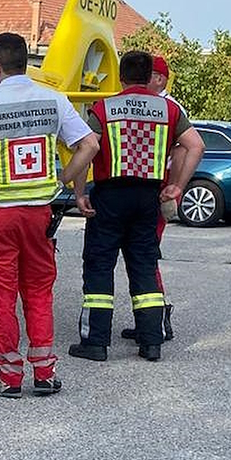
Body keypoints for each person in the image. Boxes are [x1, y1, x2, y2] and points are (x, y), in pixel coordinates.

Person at [0, 32, 99, 397]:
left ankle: (9, 376)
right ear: (27, 60)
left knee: (0, 291)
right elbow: (89, 144)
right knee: (38, 289)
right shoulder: (52, 99)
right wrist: (63, 178)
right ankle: (44, 373)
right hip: (38, 213)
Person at [71, 50, 204, 362]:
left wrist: (79, 193)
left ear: (121, 76)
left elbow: (85, 148)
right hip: (148, 197)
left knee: (100, 266)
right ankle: (151, 342)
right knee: (144, 267)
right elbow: (196, 145)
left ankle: (95, 343)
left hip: (110, 195)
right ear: (149, 77)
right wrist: (177, 186)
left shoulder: (104, 108)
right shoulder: (169, 109)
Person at [121, 53, 184, 342]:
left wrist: (174, 187)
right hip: (153, 190)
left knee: (146, 258)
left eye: (148, 77)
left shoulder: (166, 107)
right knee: (144, 256)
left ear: (159, 79)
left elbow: (186, 149)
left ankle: (156, 321)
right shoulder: (161, 106)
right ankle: (149, 321)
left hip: (156, 190)